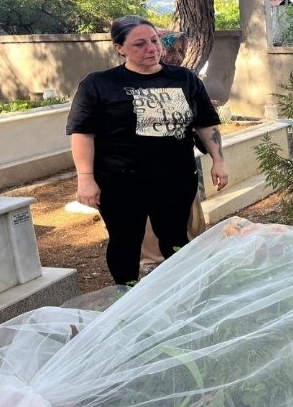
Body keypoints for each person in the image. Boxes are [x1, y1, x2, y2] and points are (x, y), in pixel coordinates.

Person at [66, 15, 228, 285]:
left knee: (176, 238)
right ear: (119, 48)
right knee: (125, 241)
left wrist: (218, 161)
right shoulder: (99, 85)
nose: (151, 49)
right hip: (120, 183)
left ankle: (175, 290)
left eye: (154, 41)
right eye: (139, 44)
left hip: (175, 179)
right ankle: (126, 292)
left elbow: (206, 123)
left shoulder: (184, 79)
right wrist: (85, 178)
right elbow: (83, 133)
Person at [139, 30, 207, 275]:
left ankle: (188, 266)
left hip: (181, 168)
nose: (177, 56)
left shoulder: (181, 80)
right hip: (148, 176)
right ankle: (154, 270)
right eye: (172, 49)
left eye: (180, 50)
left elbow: (196, 124)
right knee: (154, 234)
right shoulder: (138, 85)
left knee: (190, 223)